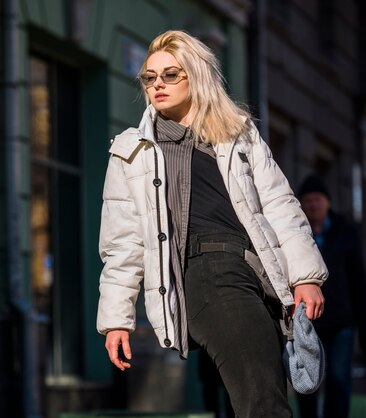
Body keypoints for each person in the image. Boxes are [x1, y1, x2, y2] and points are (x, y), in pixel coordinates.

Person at [96, 30, 328, 418]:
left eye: (170, 74)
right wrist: (116, 320)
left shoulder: (238, 132)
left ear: (196, 75)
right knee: (263, 402)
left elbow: (278, 205)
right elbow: (123, 242)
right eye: (149, 78)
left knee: (263, 395)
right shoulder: (130, 151)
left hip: (258, 274)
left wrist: (306, 276)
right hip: (205, 274)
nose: (157, 84)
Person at [297, 175, 366, 418]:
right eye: (307, 200)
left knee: (339, 381)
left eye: (317, 199)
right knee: (308, 383)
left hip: (341, 322)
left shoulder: (345, 231)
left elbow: (358, 280)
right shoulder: (296, 233)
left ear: (327, 202)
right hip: (308, 322)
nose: (313, 205)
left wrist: (364, 325)